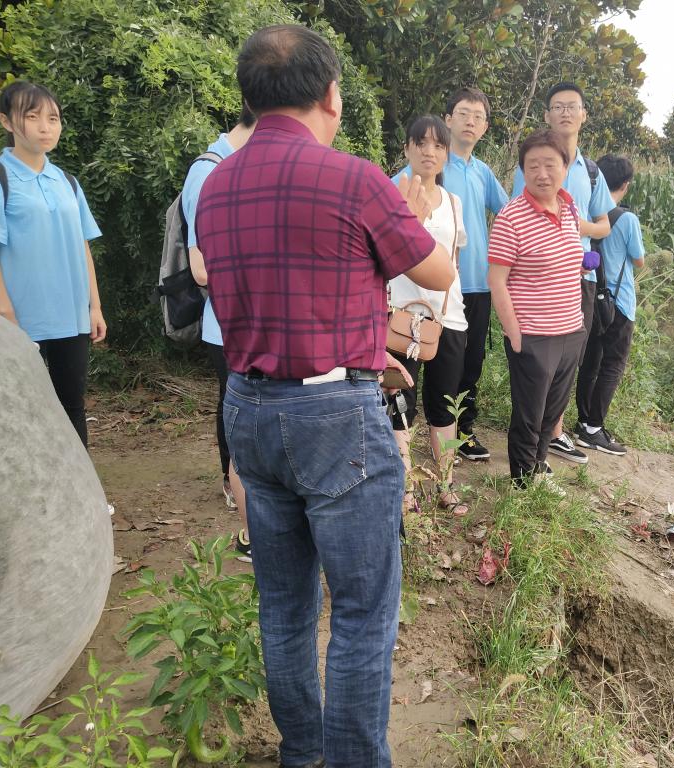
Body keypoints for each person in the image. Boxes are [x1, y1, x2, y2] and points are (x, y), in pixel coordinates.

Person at [194, 25, 454, 768]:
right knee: (363, 615)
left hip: (248, 407)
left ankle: (302, 753)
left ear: (250, 96)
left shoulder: (216, 185)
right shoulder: (356, 179)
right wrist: (416, 213)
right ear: (331, 96)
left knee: (283, 607)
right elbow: (437, 272)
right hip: (336, 417)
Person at [0, 80, 106, 448]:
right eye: (33, 117)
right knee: (19, 411)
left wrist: (94, 306)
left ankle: (78, 486)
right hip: (19, 320)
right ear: (7, 121)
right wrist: (6, 316)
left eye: (53, 118)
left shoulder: (67, 181)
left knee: (72, 406)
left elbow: (82, 246)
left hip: (71, 317)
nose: (46, 127)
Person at [392, 87, 507, 461]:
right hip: (409, 304)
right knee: (400, 390)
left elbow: (505, 213)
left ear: (485, 126)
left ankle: (459, 442)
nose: (471, 121)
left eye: (478, 116)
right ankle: (401, 469)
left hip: (462, 294)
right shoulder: (402, 184)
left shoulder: (479, 174)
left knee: (463, 372)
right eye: (463, 113)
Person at [511, 82, 613, 465]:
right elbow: (519, 216)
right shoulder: (532, 162)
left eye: (572, 106)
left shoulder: (590, 171)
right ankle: (535, 443)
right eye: (558, 106)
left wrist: (571, 226)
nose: (565, 112)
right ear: (547, 115)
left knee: (569, 361)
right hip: (538, 280)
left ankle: (552, 432)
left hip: (579, 279)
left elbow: (604, 224)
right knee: (537, 364)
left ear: (583, 115)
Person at [490, 129, 586, 490]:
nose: (542, 174)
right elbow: (496, 279)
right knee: (530, 413)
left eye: (550, 164)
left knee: (553, 410)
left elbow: (566, 258)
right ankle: (521, 483)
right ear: (523, 171)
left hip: (570, 329)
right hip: (533, 334)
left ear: (565, 166)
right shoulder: (511, 217)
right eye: (533, 166)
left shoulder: (570, 208)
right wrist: (514, 332)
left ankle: (538, 468)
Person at [181, 104, 256, 560]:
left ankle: (240, 484)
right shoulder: (208, 171)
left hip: (256, 323)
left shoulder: (249, 164)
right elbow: (200, 266)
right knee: (234, 409)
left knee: (240, 407)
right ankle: (234, 485)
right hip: (227, 323)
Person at [387, 115, 469, 515]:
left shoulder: (454, 203)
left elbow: (454, 261)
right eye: (420, 143)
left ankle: (445, 483)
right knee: (400, 402)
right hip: (401, 320)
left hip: (448, 319)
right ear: (406, 148)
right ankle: (405, 486)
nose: (429, 152)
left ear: (446, 154)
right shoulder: (390, 196)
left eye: (438, 145)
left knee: (445, 404)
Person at [574, 154, 645, 455]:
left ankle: (583, 422)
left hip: (592, 296)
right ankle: (594, 428)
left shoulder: (590, 215)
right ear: (625, 185)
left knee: (590, 362)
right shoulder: (627, 220)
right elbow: (639, 260)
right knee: (612, 365)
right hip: (620, 303)